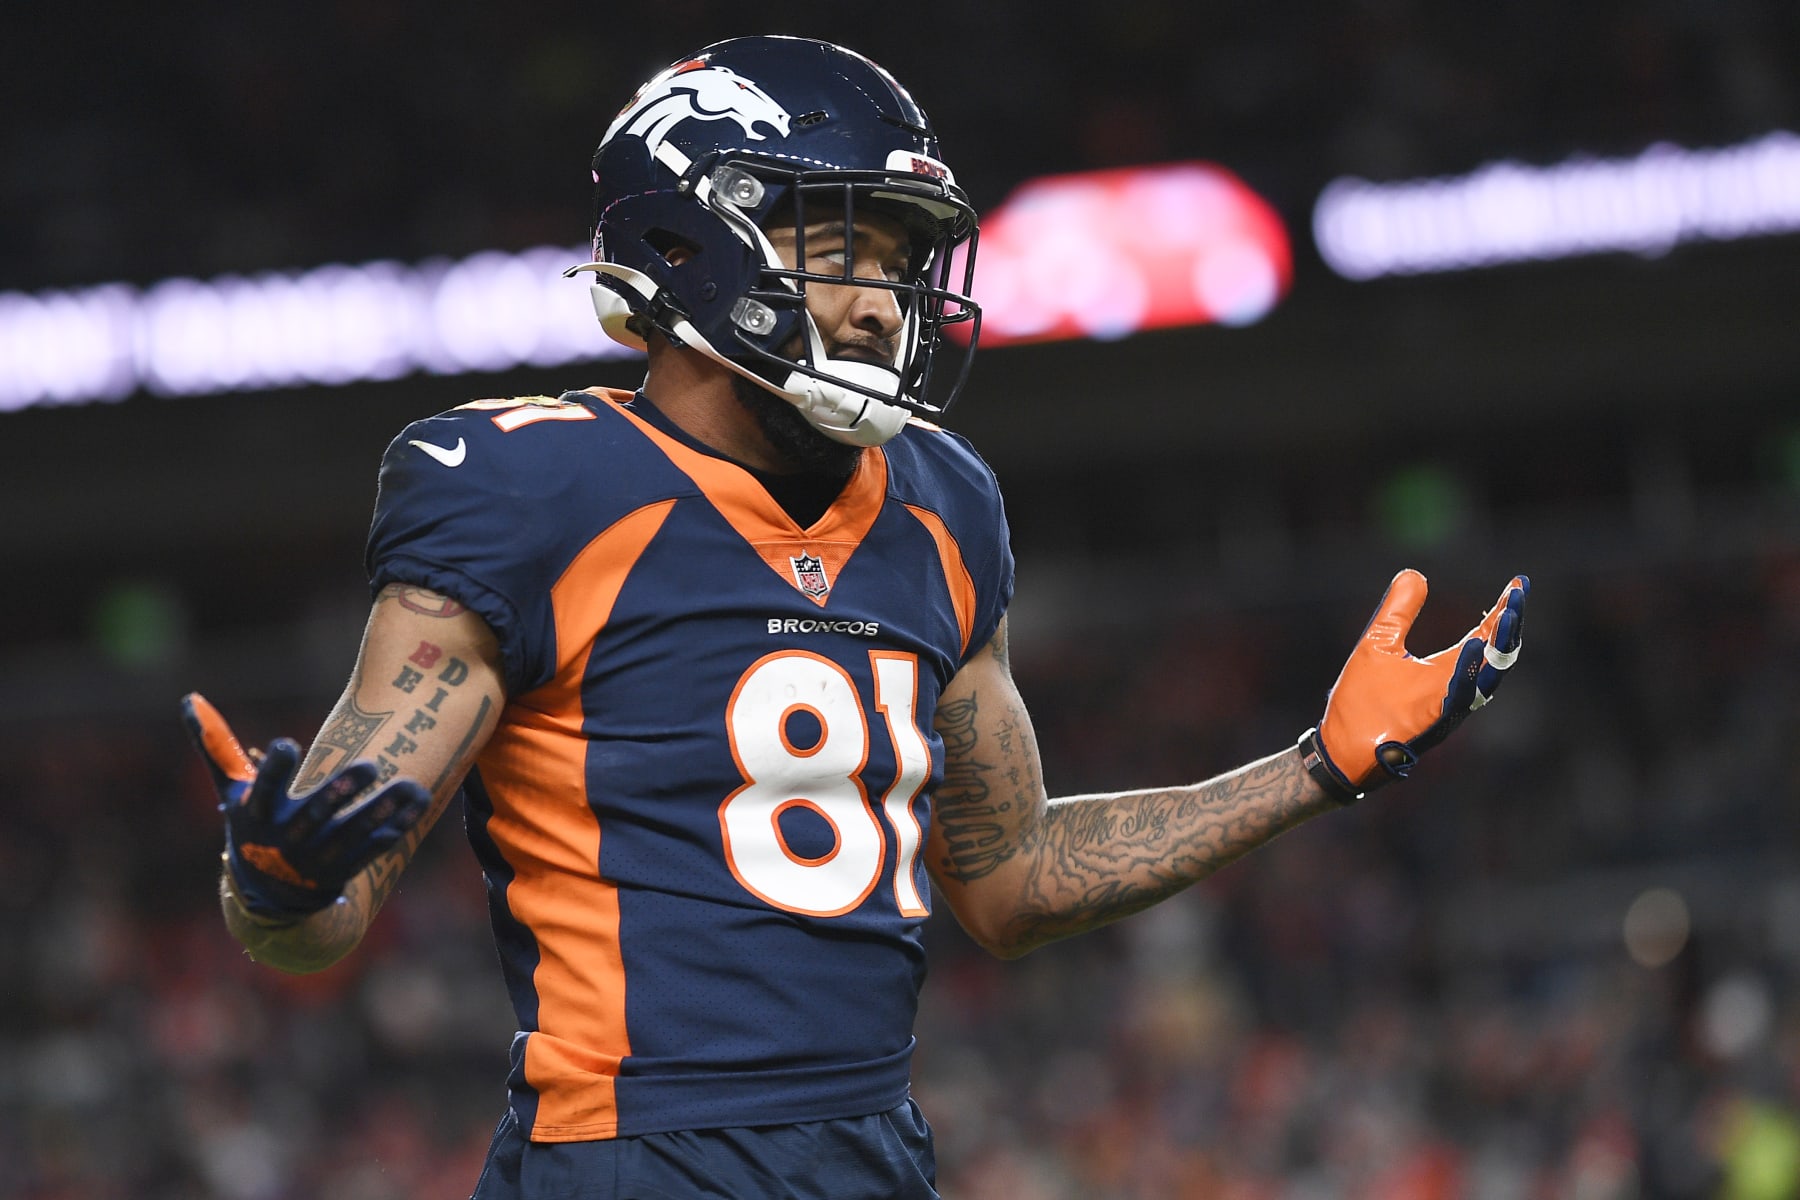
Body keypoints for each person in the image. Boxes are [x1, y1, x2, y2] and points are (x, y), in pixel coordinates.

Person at [183, 34, 1530, 1200]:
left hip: (871, 1154)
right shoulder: (533, 490)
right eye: (843, 247)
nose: (885, 302)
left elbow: (1006, 884)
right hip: (631, 1163)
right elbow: (325, 909)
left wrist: (1314, 771)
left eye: (901, 258)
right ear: (692, 240)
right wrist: (277, 883)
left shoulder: (942, 502)